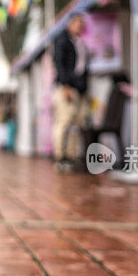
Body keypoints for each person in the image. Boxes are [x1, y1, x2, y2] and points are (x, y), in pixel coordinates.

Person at [52, 14, 90, 170]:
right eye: (77, 23)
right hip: (67, 87)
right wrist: (66, 85)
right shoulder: (62, 41)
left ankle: (72, 155)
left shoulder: (80, 43)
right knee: (64, 121)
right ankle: (60, 156)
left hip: (80, 89)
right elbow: (59, 64)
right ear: (69, 24)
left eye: (81, 23)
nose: (80, 26)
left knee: (77, 124)